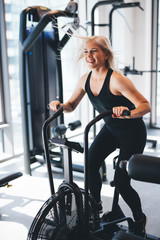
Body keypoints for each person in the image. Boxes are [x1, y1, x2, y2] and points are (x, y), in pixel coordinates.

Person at [49, 35, 151, 237]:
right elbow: (70, 105)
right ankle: (95, 207)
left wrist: (128, 112)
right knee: (91, 161)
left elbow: (145, 106)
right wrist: (59, 105)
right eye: (86, 51)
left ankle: (139, 218)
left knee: (122, 183)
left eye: (94, 51)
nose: (89, 55)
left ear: (105, 54)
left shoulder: (116, 79)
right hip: (111, 129)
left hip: (132, 133)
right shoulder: (85, 79)